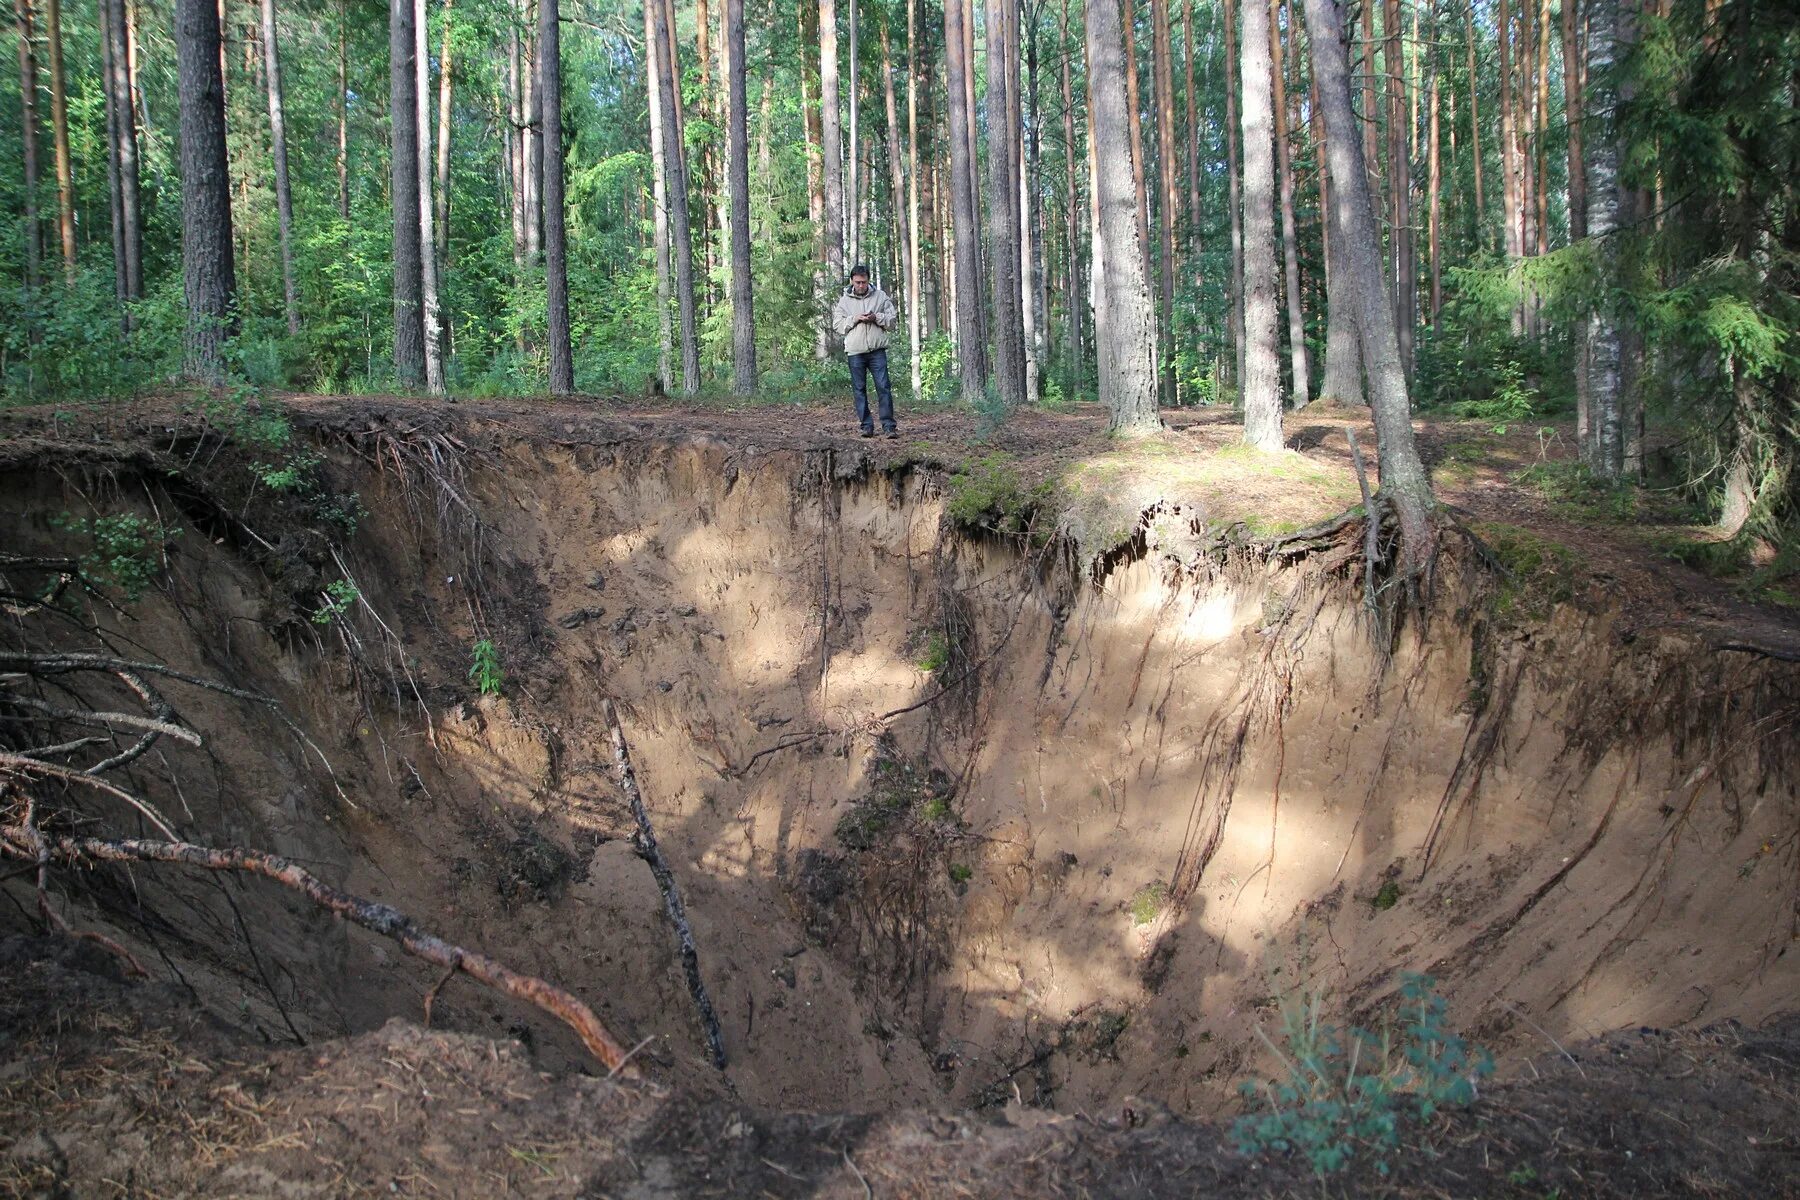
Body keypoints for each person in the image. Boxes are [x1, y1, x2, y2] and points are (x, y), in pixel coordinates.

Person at [831, 264, 900, 438]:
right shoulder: (845, 301)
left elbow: (892, 321)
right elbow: (837, 325)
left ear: (869, 281)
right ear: (852, 281)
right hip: (855, 351)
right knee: (859, 389)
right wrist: (855, 318)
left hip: (877, 350)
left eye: (864, 282)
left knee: (883, 387)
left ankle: (889, 426)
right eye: (858, 282)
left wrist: (876, 317)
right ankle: (866, 426)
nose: (861, 286)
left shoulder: (880, 296)